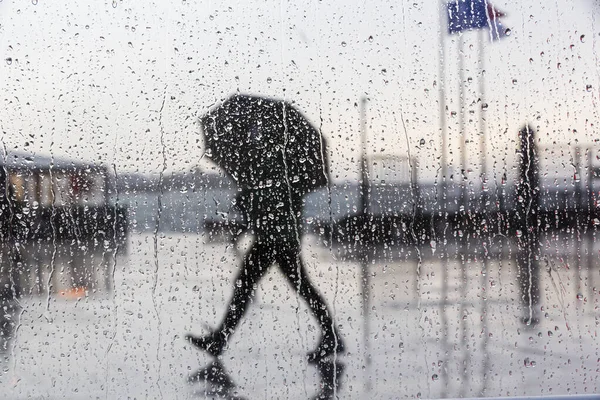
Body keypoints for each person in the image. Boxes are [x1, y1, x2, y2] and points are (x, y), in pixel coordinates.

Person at [187, 96, 344, 363]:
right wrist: (247, 204)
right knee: (292, 285)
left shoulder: (278, 169)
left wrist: (248, 205)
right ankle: (331, 336)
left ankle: (220, 340)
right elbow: (264, 205)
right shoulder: (271, 168)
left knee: (252, 284)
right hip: (277, 237)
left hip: (277, 238)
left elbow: (271, 205)